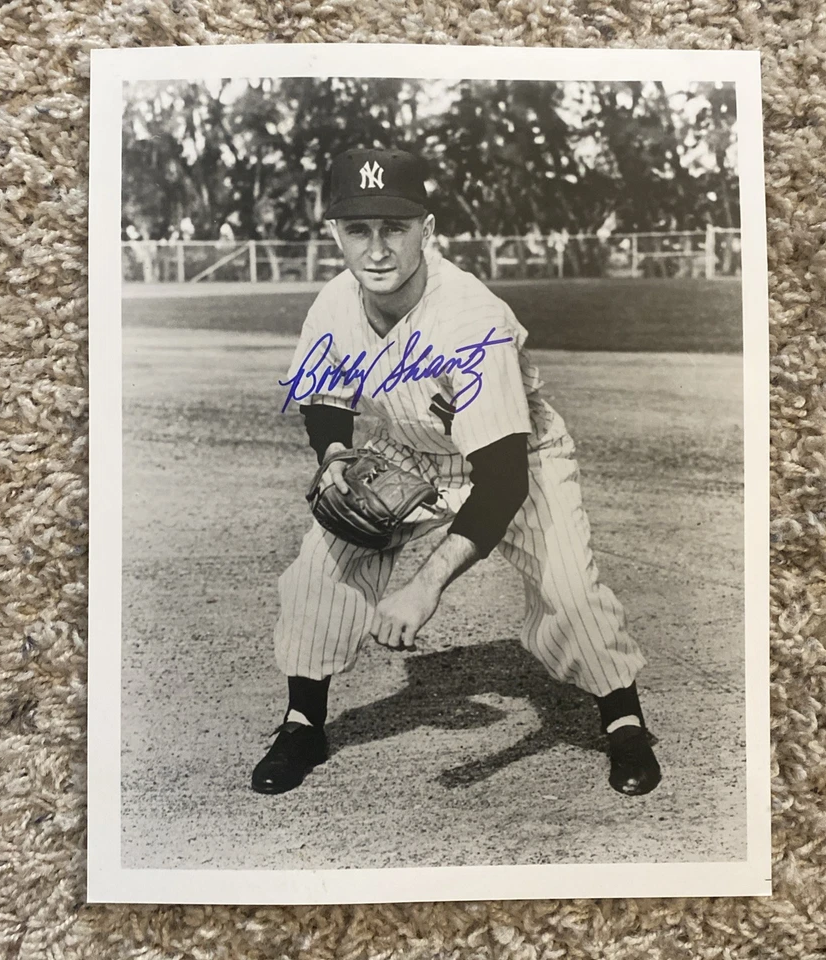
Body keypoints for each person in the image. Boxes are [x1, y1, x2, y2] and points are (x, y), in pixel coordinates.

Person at [252, 147, 662, 798]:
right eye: (359, 229)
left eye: (396, 227)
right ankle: (304, 721)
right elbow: (323, 397)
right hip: (410, 451)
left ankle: (622, 717)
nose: (378, 248)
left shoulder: (471, 319)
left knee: (572, 593)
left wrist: (424, 587)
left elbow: (500, 481)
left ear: (428, 229)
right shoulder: (333, 304)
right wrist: (334, 457)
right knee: (317, 572)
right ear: (335, 233)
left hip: (517, 453)